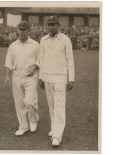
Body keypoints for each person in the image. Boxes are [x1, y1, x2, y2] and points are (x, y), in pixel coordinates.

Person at [39, 16, 75, 146]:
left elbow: (70, 60)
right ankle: (55, 128)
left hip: (60, 77)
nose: (51, 27)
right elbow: (41, 59)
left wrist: (71, 79)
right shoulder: (43, 40)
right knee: (52, 106)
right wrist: (41, 77)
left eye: (54, 24)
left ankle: (57, 136)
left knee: (59, 107)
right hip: (47, 76)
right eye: (49, 24)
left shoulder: (65, 40)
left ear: (58, 25)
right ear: (47, 26)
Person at [5, 21, 40, 136]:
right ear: (17, 30)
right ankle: (23, 126)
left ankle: (33, 119)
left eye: (24, 29)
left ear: (28, 30)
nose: (21, 31)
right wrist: (7, 76)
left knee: (29, 101)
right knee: (19, 103)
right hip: (17, 75)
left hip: (31, 76)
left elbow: (40, 60)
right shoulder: (13, 46)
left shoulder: (35, 45)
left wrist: (35, 66)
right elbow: (9, 62)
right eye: (20, 29)